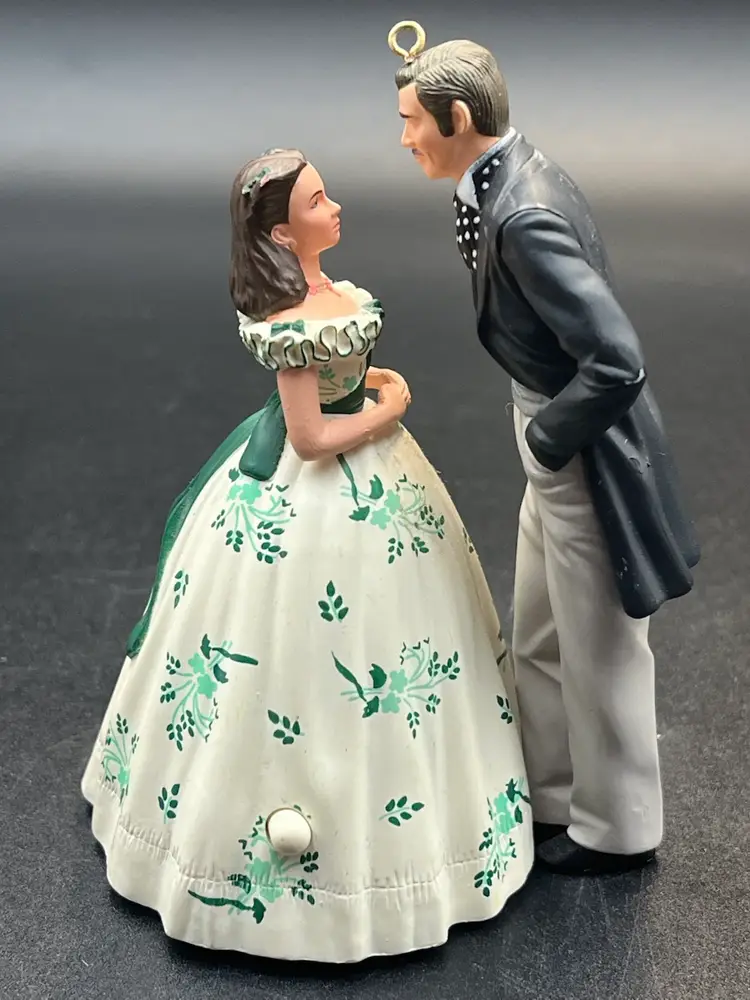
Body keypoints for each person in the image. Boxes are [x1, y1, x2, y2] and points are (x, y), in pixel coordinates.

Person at [80, 147, 533, 962]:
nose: (336, 208)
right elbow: (312, 436)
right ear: (284, 235)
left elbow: (340, 383)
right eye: (318, 203)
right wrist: (391, 406)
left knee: (405, 632)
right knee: (279, 643)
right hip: (319, 487)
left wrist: (369, 387)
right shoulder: (292, 323)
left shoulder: (337, 298)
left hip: (378, 481)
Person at [387, 22, 700, 876]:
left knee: (599, 647)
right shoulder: (504, 181)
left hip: (579, 447)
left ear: (456, 119)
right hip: (551, 437)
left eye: (412, 120)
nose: (404, 138)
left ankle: (618, 827)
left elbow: (617, 360)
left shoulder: (522, 214)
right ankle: (554, 792)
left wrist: (547, 438)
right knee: (539, 632)